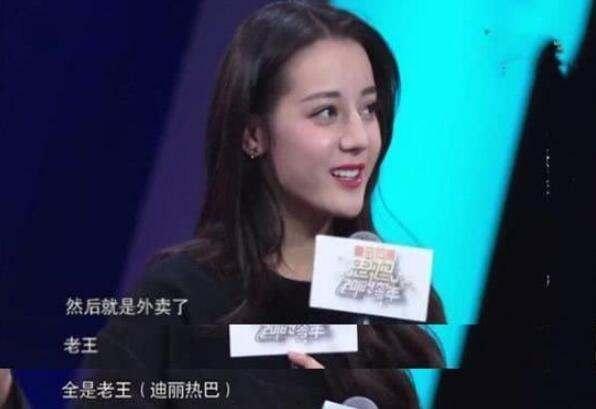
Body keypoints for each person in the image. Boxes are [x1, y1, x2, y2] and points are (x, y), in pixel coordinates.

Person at [75, 2, 446, 408]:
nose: (359, 138)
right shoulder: (182, 296)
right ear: (253, 134)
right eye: (327, 112)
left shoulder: (397, 293)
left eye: (369, 109)